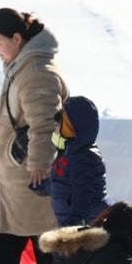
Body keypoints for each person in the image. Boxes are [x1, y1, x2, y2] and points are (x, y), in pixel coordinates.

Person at [0, 8, 67, 264]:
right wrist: (1, 107)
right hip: (17, 174)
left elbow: (44, 121)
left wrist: (40, 164)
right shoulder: (23, 65)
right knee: (7, 226)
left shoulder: (36, 72)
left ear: (17, 38)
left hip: (31, 173)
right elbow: (24, 109)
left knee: (40, 235)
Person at [49, 96, 109, 227]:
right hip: (69, 220)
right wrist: (44, 185)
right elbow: (63, 181)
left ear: (70, 128)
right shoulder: (67, 151)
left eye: (59, 124)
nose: (55, 128)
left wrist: (77, 222)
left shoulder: (84, 157)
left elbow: (84, 193)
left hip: (86, 224)